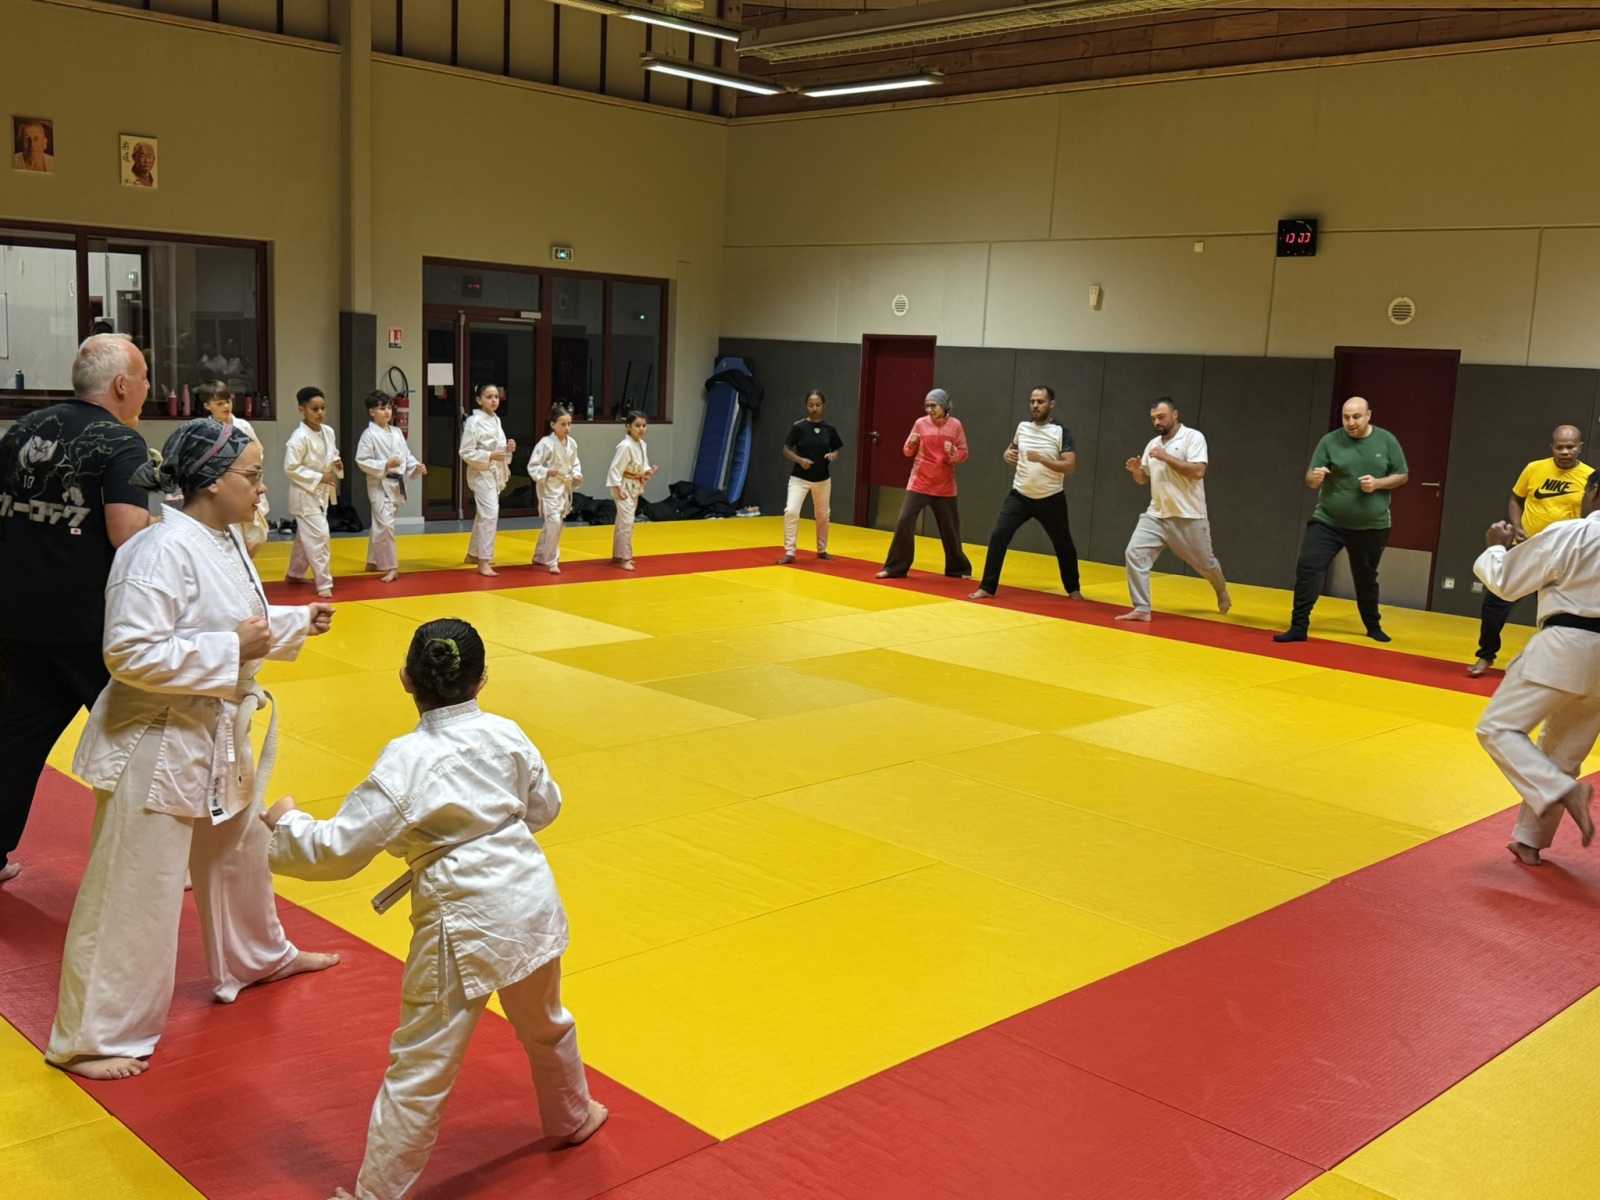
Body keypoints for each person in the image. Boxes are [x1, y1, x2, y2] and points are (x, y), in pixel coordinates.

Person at [265, 619, 608, 1199]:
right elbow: (544, 808)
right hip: (528, 897)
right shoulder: (506, 732)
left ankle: (376, 1194)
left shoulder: (407, 760)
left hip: (462, 916)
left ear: (406, 678)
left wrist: (287, 822)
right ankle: (573, 1114)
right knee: (545, 1020)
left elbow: (336, 851)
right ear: (482, 681)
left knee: (422, 1061)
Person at [46, 419, 340, 1081]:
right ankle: (93, 1035)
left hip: (214, 731)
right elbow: (128, 653)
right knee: (136, 887)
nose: (262, 490)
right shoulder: (155, 552)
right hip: (155, 740)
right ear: (209, 481)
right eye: (252, 476)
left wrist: (293, 623)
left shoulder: (222, 537)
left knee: (240, 852)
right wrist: (234, 648)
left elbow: (225, 621)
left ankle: (256, 957)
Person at [0, 334, 155, 885]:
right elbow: (126, 531)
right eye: (144, 378)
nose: (148, 388)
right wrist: (171, 527)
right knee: (139, 739)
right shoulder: (121, 440)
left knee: (15, 736)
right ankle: (153, 859)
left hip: (16, 614)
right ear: (122, 384)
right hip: (87, 624)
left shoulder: (20, 430)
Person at [1473, 512, 1600, 866]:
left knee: (1497, 728)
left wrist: (1496, 548)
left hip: (1565, 645)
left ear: (1594, 493)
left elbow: (1507, 581)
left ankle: (1562, 791)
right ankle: (1530, 842)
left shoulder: (1576, 532)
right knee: (1563, 755)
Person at [1274, 396, 1408, 643]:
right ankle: (1299, 626)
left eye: (1356, 417)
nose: (1350, 422)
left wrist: (1378, 484)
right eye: (1346, 417)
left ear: (1368, 415)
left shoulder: (1386, 440)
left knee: (1365, 577)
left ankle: (1373, 625)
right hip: (1328, 521)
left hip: (1371, 526)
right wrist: (1314, 478)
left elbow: (1402, 475)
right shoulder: (1330, 441)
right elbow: (1310, 479)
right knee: (1308, 567)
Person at [1467, 425, 1595, 677]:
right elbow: (1516, 499)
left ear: (1580, 447)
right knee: (1495, 603)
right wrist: (1517, 526)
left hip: (1561, 556)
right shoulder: (1534, 468)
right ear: (1552, 447)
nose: (1565, 452)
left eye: (1570, 447)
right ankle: (1485, 655)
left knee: (1555, 613)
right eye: (1559, 447)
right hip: (1526, 548)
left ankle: (1553, 666)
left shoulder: (1589, 477)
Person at [1115, 397, 1230, 621]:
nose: (1157, 422)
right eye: (1153, 419)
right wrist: (1137, 471)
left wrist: (1167, 457)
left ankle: (1220, 588)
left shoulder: (1193, 437)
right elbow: (1143, 479)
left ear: (1175, 415)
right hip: (1156, 515)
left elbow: (1198, 472)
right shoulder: (1152, 444)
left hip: (1188, 516)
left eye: (1161, 417)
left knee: (1206, 564)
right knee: (1134, 553)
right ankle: (1142, 608)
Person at [968, 386, 1082, 601]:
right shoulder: (1022, 427)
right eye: (1032, 402)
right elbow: (1012, 449)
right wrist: (1007, 454)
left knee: (1063, 544)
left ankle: (1073, 589)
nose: (1035, 406)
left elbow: (1070, 466)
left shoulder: (1060, 432)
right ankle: (987, 587)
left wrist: (1042, 459)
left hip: (1051, 498)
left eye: (1040, 402)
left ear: (1051, 404)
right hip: (1020, 496)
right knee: (999, 536)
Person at [877, 389, 972, 580]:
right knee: (904, 521)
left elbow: (964, 453)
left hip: (944, 485)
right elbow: (907, 452)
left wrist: (953, 452)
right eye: (927, 406)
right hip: (919, 483)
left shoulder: (955, 425)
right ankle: (895, 568)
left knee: (950, 529)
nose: (929, 409)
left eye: (933, 405)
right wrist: (911, 444)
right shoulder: (920, 423)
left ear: (944, 405)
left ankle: (958, 568)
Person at [357, 390, 426, 584]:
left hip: (396, 484)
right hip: (379, 483)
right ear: (372, 412)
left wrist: (415, 466)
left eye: (389, 408)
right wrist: (385, 465)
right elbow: (362, 461)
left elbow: (406, 455)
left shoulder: (396, 432)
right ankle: (391, 566)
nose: (387, 412)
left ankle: (372, 561)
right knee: (386, 526)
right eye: (382, 409)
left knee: (382, 524)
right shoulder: (369, 435)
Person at [199, 380, 271, 556]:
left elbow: (258, 451)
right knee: (232, 535)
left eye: (228, 401)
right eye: (219, 403)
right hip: (225, 489)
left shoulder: (243, 426)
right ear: (207, 406)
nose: (226, 406)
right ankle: (237, 569)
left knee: (256, 535)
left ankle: (245, 566)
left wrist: (250, 470)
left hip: (249, 483)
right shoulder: (205, 430)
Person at [284, 387, 341, 597]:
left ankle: (295, 573)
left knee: (305, 538)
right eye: (314, 409)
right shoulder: (298, 437)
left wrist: (336, 464)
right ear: (302, 410)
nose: (320, 413)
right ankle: (324, 583)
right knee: (320, 536)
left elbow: (332, 454)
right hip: (304, 494)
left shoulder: (328, 432)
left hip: (321, 493)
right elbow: (290, 467)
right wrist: (319, 477)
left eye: (323, 408)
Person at [777, 390, 844, 566]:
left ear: (824, 406)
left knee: (823, 515)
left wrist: (834, 455)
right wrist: (800, 460)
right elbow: (786, 449)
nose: (814, 408)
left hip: (822, 479)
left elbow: (836, 449)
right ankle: (790, 552)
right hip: (799, 478)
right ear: (806, 406)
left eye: (818, 405)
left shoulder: (829, 429)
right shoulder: (798, 427)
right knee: (791, 511)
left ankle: (822, 550)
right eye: (811, 405)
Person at [460, 383, 514, 579]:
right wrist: (490, 455)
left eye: (496, 397)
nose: (494, 400)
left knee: (483, 515)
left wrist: (508, 449)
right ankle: (484, 560)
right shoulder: (474, 421)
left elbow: (498, 450)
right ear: (479, 400)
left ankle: (473, 554)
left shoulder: (496, 419)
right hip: (481, 472)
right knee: (490, 514)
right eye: (489, 397)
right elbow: (466, 452)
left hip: (493, 472)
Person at [529, 405, 582, 575]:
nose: (567, 428)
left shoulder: (572, 444)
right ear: (552, 425)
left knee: (555, 522)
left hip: (563, 486)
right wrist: (546, 471)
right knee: (553, 521)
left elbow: (575, 463)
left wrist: (576, 474)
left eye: (569, 424)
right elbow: (533, 466)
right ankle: (552, 560)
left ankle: (539, 555)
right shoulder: (545, 443)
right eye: (563, 424)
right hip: (549, 486)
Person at [607, 410, 657, 572]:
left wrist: (647, 471)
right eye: (637, 426)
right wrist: (618, 488)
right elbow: (615, 469)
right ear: (628, 426)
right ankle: (625, 558)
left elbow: (643, 464)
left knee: (623, 522)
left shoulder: (642, 444)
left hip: (634, 485)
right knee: (627, 522)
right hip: (623, 486)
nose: (641, 429)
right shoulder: (625, 446)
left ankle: (617, 554)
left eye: (644, 426)